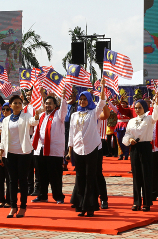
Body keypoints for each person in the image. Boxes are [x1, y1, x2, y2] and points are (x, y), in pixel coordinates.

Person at [67, 78, 107, 217]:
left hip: (91, 148)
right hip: (78, 149)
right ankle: (80, 206)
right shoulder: (74, 115)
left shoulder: (93, 112)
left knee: (91, 177)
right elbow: (71, 133)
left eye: (85, 99)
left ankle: (90, 206)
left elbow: (102, 103)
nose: (82, 101)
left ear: (89, 100)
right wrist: (69, 150)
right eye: (80, 99)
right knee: (80, 177)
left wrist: (102, 87)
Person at [122, 92, 158, 211]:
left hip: (145, 147)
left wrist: (156, 103)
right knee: (136, 176)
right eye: (135, 107)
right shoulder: (131, 121)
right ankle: (136, 202)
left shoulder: (150, 118)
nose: (137, 109)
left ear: (144, 108)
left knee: (146, 175)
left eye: (139, 107)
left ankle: (147, 202)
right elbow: (127, 134)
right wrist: (129, 140)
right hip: (134, 148)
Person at [1, 95, 39, 218]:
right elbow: (3, 138)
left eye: (19, 103)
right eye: (15, 103)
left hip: (24, 153)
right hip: (10, 153)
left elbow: (34, 122)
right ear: (10, 105)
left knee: (23, 181)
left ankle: (23, 206)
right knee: (11, 181)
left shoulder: (26, 116)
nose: (17, 105)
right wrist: (1, 153)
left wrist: (37, 115)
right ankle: (13, 206)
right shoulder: (6, 119)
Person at [31, 88, 68, 205]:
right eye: (46, 103)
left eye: (50, 103)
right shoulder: (41, 115)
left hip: (54, 150)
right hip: (40, 149)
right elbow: (37, 130)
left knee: (55, 175)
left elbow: (63, 109)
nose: (48, 105)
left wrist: (63, 97)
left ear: (55, 105)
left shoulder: (59, 115)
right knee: (41, 175)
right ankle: (42, 195)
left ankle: (58, 197)